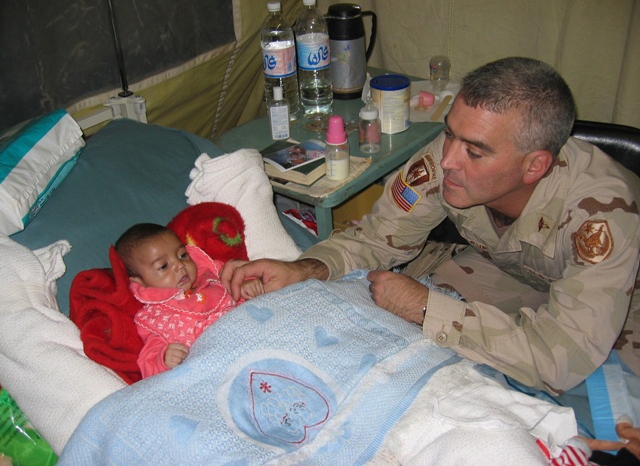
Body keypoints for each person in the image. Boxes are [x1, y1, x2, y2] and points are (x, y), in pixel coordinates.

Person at [221, 57, 640, 396]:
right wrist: (304, 269)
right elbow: (376, 237)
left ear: (535, 166)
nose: (447, 161)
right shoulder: (451, 154)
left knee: (578, 410)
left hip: (619, 302)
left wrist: (425, 307)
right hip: (510, 269)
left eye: (474, 151)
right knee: (398, 346)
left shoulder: (603, 218)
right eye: (450, 134)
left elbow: (559, 355)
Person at [115, 223, 263, 378]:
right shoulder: (155, 317)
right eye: (164, 266)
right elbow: (148, 363)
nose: (180, 265)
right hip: (216, 370)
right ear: (139, 283)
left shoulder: (212, 273)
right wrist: (163, 359)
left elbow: (243, 275)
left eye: (182, 255)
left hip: (252, 341)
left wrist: (248, 285)